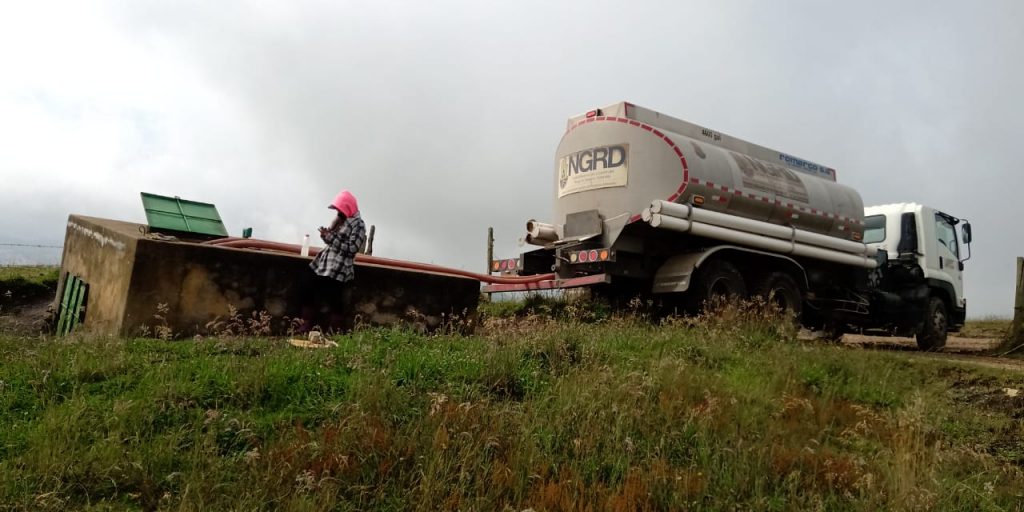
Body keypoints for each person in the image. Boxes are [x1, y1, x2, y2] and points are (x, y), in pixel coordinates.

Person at [304, 189, 367, 332]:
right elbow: (333, 242)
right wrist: (326, 235)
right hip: (324, 263)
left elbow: (352, 248)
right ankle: (310, 323)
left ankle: (333, 330)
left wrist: (331, 238)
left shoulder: (359, 224)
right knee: (309, 286)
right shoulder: (341, 220)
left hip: (338, 268)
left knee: (334, 299)